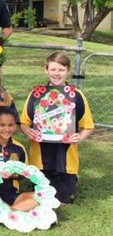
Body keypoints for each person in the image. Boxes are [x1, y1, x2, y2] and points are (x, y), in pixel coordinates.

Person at [20, 52, 94, 205]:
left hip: (66, 161)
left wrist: (80, 136)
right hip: (40, 160)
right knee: (41, 201)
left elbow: (88, 126)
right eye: (53, 69)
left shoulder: (77, 96)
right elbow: (24, 123)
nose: (57, 73)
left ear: (68, 71)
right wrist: (28, 130)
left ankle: (72, 179)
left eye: (61, 69)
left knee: (63, 202)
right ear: (46, 70)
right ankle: (40, 179)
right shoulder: (35, 94)